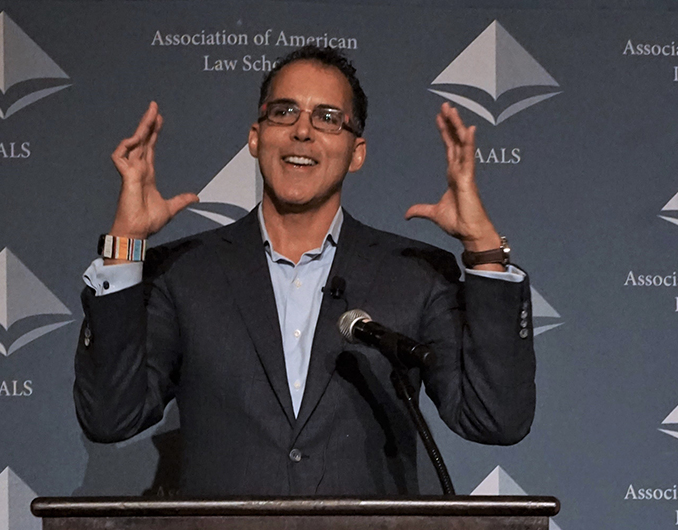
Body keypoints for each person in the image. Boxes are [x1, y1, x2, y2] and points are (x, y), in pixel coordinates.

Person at [74, 45, 535, 496]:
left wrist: (484, 249)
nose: (302, 131)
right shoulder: (185, 272)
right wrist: (125, 245)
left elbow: (493, 418)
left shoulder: (414, 274)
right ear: (256, 138)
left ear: (357, 152)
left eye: (328, 118)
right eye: (284, 112)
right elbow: (111, 418)